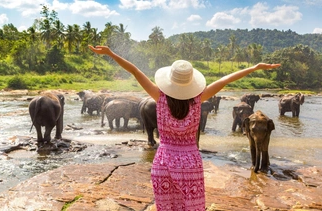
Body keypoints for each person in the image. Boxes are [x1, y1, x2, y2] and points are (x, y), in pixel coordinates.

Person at [88, 45, 280, 211]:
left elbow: (136, 71)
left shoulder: (159, 97)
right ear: (191, 82)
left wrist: (111, 54)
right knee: (192, 206)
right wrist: (255, 67)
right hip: (190, 164)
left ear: (170, 81)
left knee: (166, 206)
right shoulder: (198, 101)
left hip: (163, 162)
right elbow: (225, 80)